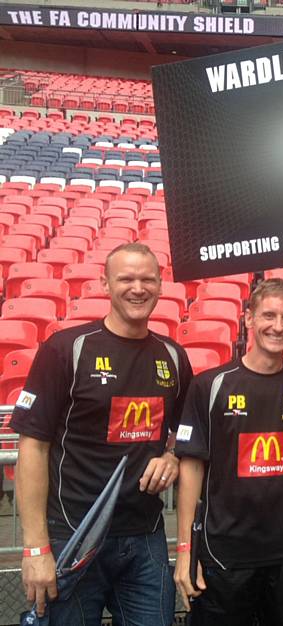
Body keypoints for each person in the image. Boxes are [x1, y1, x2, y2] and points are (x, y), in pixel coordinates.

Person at [11, 242, 193, 624]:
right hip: (73, 535)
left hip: (145, 536)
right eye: (126, 278)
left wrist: (172, 457)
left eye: (147, 279)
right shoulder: (66, 349)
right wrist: (34, 548)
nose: (137, 288)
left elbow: (185, 433)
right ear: (105, 284)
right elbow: (33, 446)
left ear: (161, 285)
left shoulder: (173, 357)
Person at [173, 278, 283, 626]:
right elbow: (191, 467)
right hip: (224, 557)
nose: (278, 326)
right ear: (248, 318)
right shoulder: (209, 385)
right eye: (268, 315)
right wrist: (185, 550)